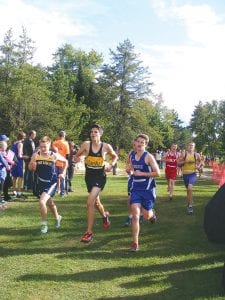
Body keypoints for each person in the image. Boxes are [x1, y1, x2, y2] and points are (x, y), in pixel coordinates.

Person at [75, 124, 118, 243]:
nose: (93, 134)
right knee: (96, 203)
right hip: (89, 177)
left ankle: (89, 232)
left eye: (96, 132)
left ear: (100, 134)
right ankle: (105, 216)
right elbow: (76, 156)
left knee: (89, 202)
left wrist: (111, 164)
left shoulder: (105, 146)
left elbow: (115, 156)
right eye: (92, 132)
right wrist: (80, 158)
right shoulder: (86, 145)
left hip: (100, 177)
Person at [126, 134, 160, 251]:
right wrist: (128, 169)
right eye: (138, 142)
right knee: (135, 215)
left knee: (146, 215)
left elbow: (158, 173)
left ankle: (152, 215)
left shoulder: (148, 157)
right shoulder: (132, 156)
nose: (139, 144)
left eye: (142, 142)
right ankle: (135, 243)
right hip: (135, 188)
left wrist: (142, 174)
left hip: (147, 190)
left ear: (146, 145)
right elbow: (129, 168)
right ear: (135, 143)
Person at [28, 136, 68, 234]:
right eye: (41, 146)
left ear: (49, 146)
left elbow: (65, 162)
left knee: (42, 202)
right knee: (49, 203)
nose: (43, 149)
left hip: (51, 183)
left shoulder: (53, 155)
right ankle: (58, 217)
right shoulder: (35, 155)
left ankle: (44, 224)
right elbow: (30, 167)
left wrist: (62, 173)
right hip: (40, 183)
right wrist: (32, 167)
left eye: (45, 147)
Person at [178, 142, 201, 214]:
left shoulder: (196, 155)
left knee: (190, 188)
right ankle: (189, 202)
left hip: (193, 174)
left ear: (194, 147)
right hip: (185, 174)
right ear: (188, 146)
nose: (191, 147)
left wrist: (198, 166)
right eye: (190, 145)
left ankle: (190, 206)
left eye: (192, 146)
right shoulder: (184, 154)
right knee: (188, 191)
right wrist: (185, 161)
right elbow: (178, 163)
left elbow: (201, 162)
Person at [11, 131, 29, 199]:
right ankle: (19, 192)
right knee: (20, 177)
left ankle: (14, 191)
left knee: (14, 177)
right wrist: (26, 157)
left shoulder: (14, 143)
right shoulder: (20, 144)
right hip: (18, 162)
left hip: (13, 162)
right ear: (23, 137)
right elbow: (19, 155)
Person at [52, 131, 70, 196]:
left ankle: (53, 192)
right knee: (63, 178)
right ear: (64, 136)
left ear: (58, 135)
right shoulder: (66, 143)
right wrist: (67, 163)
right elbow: (67, 155)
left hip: (55, 162)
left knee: (54, 178)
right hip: (62, 163)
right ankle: (62, 193)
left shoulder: (54, 143)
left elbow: (52, 152)